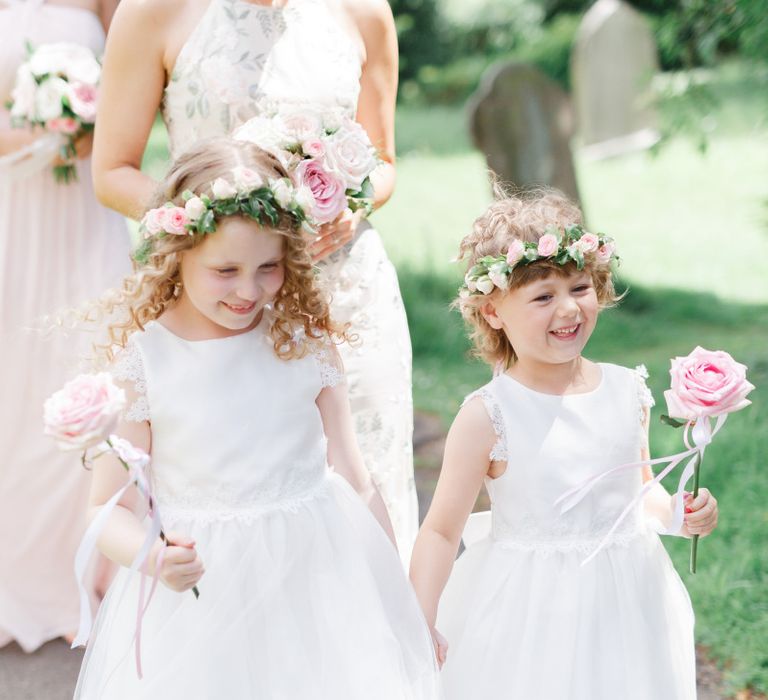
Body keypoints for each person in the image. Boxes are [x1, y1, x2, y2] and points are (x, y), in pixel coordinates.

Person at [73, 137, 440, 699]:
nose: (249, 290)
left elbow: (357, 481)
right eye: (225, 270)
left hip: (312, 574)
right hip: (201, 594)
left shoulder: (305, 343)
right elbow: (106, 507)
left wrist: (395, 596)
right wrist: (154, 561)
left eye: (268, 267)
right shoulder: (146, 359)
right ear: (178, 254)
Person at [91, 0, 418, 563]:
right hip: (220, 301)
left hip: (345, 293)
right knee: (248, 492)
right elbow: (111, 171)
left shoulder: (364, 11)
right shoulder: (153, 12)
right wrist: (219, 219)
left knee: (368, 474)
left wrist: (355, 205)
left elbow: (383, 159)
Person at [408, 189, 720, 699]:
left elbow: (640, 497)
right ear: (493, 312)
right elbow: (443, 531)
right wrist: (421, 617)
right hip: (532, 612)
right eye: (543, 296)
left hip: (626, 600)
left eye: (580, 287)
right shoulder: (489, 415)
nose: (569, 308)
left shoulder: (626, 391)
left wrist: (681, 515)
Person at [0, 0, 130, 652]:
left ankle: (89, 571)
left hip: (85, 211)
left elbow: (136, 77)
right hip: (11, 213)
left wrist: (89, 128)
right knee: (13, 387)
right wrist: (36, 136)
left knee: (96, 366)